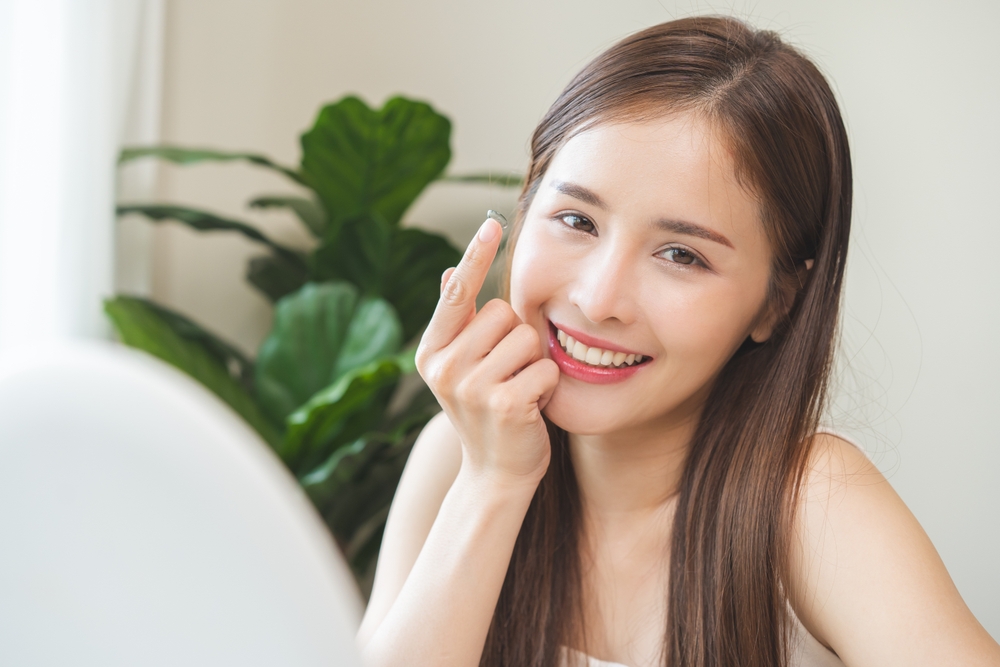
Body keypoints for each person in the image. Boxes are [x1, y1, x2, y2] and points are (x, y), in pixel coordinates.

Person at [355, 16, 1000, 667]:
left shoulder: (810, 503)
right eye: (576, 219)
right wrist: (493, 484)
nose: (598, 299)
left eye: (681, 255)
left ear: (777, 302)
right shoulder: (457, 455)